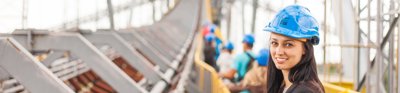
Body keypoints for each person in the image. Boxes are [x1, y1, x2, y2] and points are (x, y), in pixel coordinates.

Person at [263, 5, 325, 93]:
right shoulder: (285, 86)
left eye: (288, 44)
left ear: (305, 49)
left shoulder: (305, 91)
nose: (279, 51)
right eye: (274, 43)